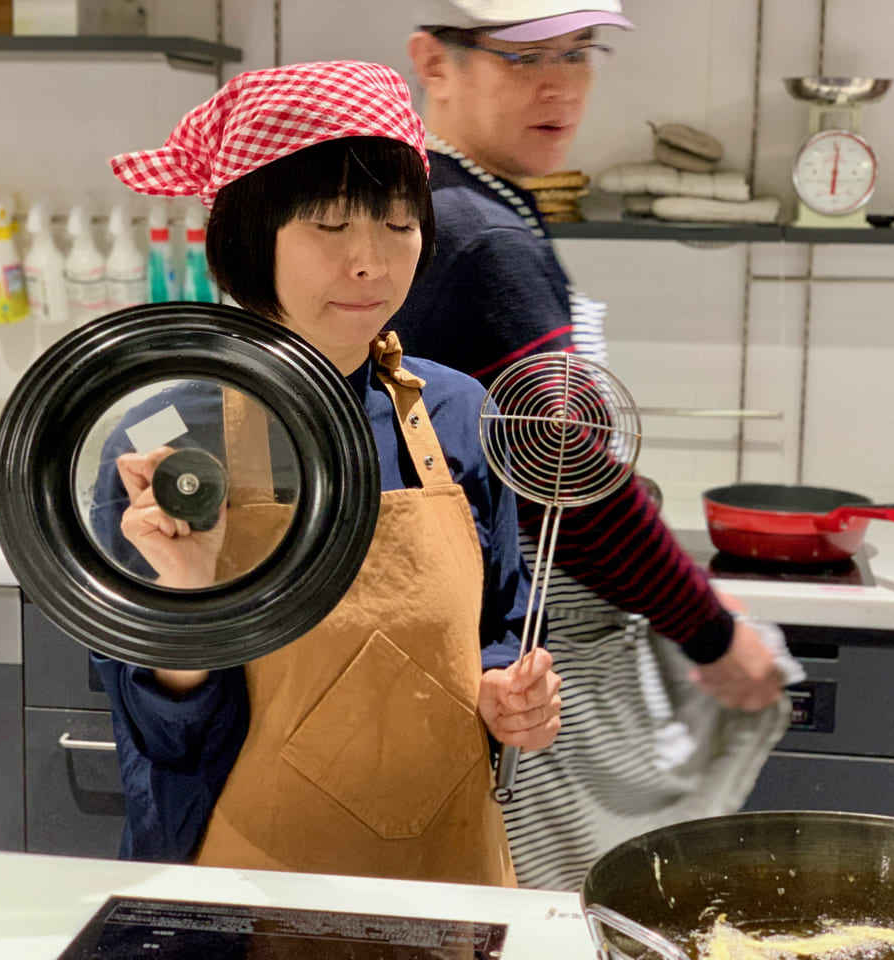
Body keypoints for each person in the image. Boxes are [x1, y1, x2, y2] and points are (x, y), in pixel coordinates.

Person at [92, 60, 562, 888]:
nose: (371, 263)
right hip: (245, 901)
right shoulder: (164, 443)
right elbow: (159, 738)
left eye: (396, 224)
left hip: (448, 885)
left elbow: (499, 623)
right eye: (329, 226)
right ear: (250, 237)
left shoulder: (456, 412)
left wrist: (505, 694)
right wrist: (189, 608)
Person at [393, 1, 791, 889]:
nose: (561, 84)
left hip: (456, 642)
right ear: (435, 60)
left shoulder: (436, 202)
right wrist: (712, 634)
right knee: (566, 909)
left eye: (579, 53)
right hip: (521, 646)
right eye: (525, 57)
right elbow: (569, 483)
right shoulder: (484, 238)